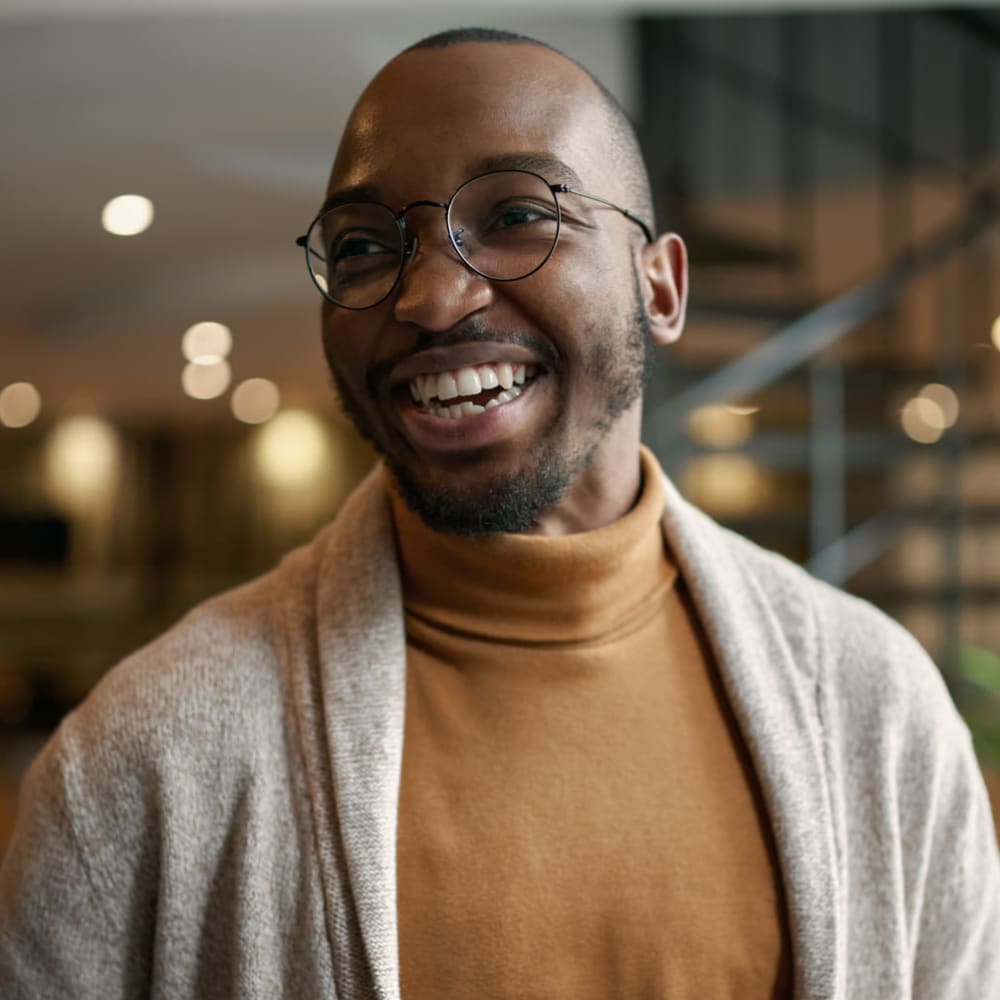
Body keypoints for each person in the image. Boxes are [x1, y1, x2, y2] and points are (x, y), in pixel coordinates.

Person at [1, 27, 998, 1000]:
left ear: (661, 285)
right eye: (362, 244)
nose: (432, 297)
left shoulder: (877, 712)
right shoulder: (143, 759)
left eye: (519, 214)